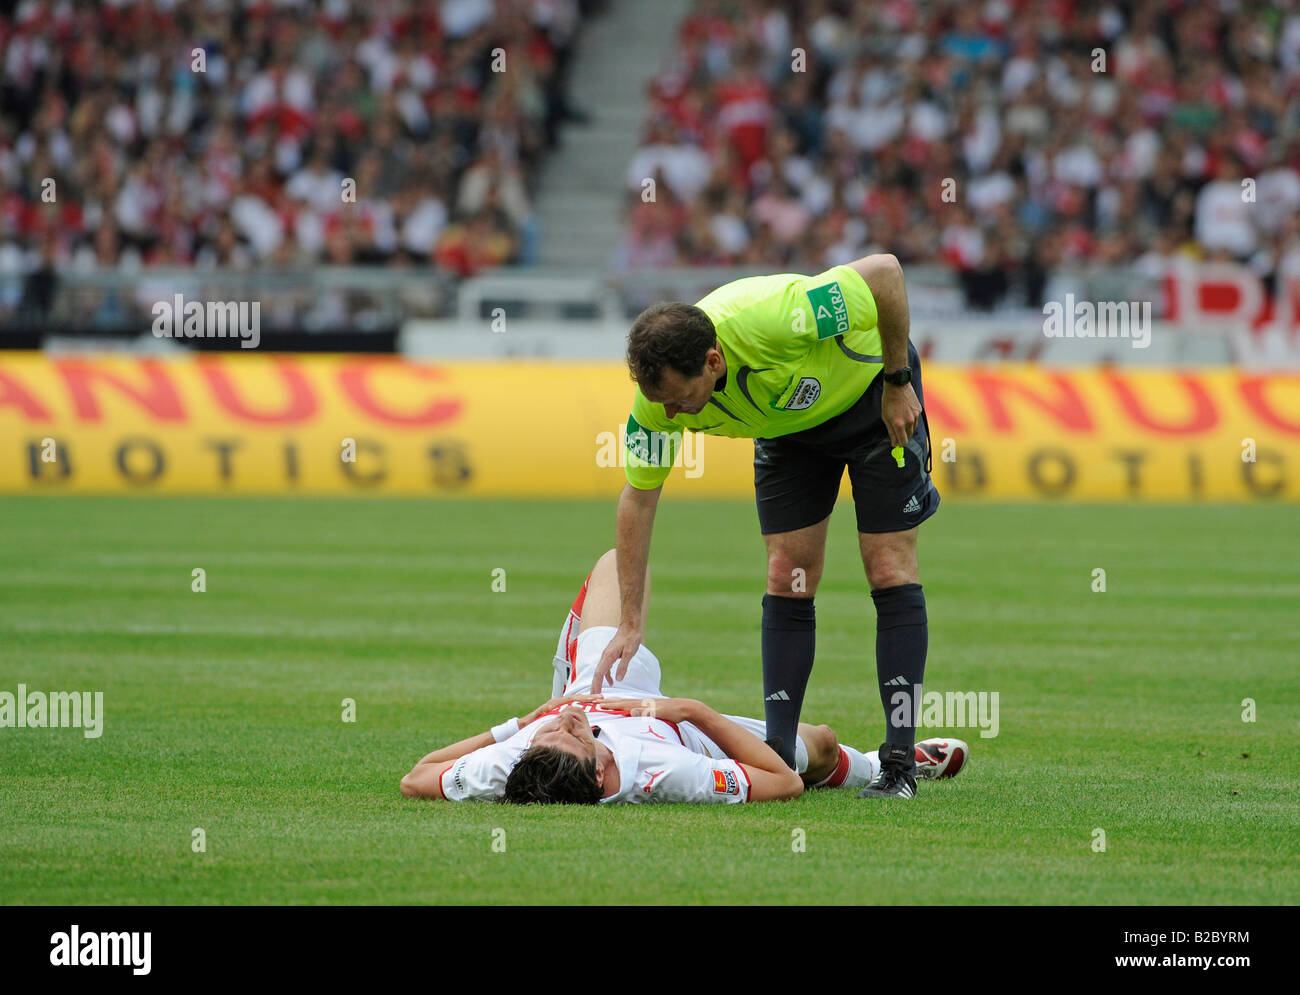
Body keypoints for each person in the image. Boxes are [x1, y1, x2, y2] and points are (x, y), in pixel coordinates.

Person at [594, 255, 939, 799]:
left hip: (872, 401)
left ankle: (898, 762)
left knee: (888, 566)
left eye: (680, 400)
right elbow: (638, 498)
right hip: (789, 433)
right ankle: (778, 755)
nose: (672, 415)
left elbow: (887, 274)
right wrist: (630, 622)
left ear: (712, 361)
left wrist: (898, 380)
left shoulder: (778, 318)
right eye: (662, 403)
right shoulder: (657, 403)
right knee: (787, 573)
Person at [400, 549, 967, 805]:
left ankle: (594, 653)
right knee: (816, 745)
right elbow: (782, 785)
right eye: (573, 734)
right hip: (683, 729)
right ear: (600, 773)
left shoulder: (513, 766)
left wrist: (523, 722)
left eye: (547, 734)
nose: (564, 722)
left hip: (606, 686)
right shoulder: (663, 773)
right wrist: (692, 712)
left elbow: (416, 777)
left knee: (619, 561)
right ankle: (884, 763)